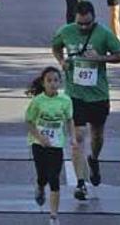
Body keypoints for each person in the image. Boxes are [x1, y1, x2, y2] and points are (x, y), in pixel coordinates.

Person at [50, 0, 120, 201]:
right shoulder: (66, 31)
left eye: (88, 23)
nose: (84, 27)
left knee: (97, 136)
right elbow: (56, 46)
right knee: (78, 138)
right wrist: (61, 61)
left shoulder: (103, 33)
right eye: (80, 24)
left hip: (98, 95)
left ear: (94, 19)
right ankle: (81, 183)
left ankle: (94, 159)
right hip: (75, 95)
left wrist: (99, 58)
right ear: (75, 19)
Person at [25, 66, 77, 225]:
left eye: (56, 80)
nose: (53, 84)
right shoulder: (37, 101)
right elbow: (29, 121)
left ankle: (53, 216)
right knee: (43, 176)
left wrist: (73, 138)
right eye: (49, 81)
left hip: (56, 145)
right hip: (38, 144)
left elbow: (69, 120)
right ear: (43, 83)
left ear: (60, 83)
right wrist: (40, 137)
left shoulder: (65, 101)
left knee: (54, 178)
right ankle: (40, 187)